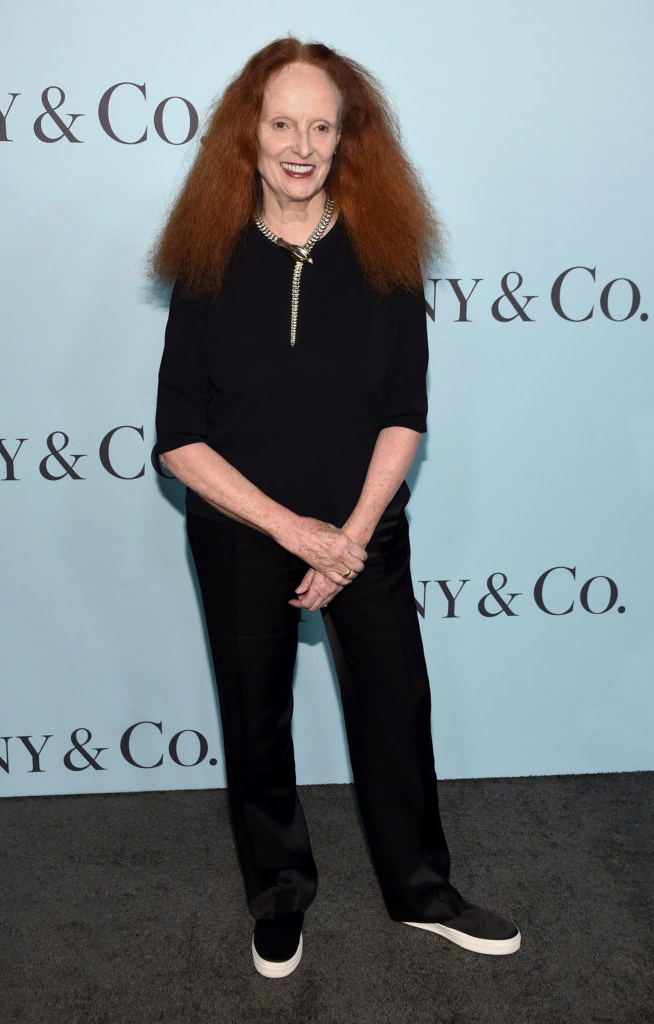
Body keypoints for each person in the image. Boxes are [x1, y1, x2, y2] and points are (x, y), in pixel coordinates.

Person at [153, 37, 520, 978]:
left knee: (397, 705)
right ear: (250, 132)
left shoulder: (388, 250)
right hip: (243, 532)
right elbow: (178, 436)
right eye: (283, 123)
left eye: (322, 125)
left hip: (363, 529)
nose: (301, 144)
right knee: (256, 715)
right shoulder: (207, 255)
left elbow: (405, 415)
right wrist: (289, 529)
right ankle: (278, 894)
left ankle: (423, 891)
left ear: (348, 138)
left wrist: (347, 539)